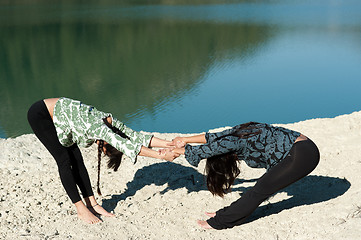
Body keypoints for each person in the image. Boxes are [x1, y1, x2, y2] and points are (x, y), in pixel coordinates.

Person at [27, 97, 179, 224]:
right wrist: (160, 156)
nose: (101, 151)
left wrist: (169, 143)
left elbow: (136, 137)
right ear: (107, 144)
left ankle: (92, 204)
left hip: (62, 119)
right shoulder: (99, 129)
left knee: (78, 160)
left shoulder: (110, 122)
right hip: (41, 115)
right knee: (64, 160)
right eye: (105, 152)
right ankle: (81, 209)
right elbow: (127, 146)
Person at [169, 122, 320, 230]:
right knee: (262, 187)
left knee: (260, 190)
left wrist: (177, 152)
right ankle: (226, 213)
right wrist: (185, 140)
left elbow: (202, 152)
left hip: (301, 157)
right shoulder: (238, 131)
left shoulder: (232, 144)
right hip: (305, 146)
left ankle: (219, 222)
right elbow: (213, 137)